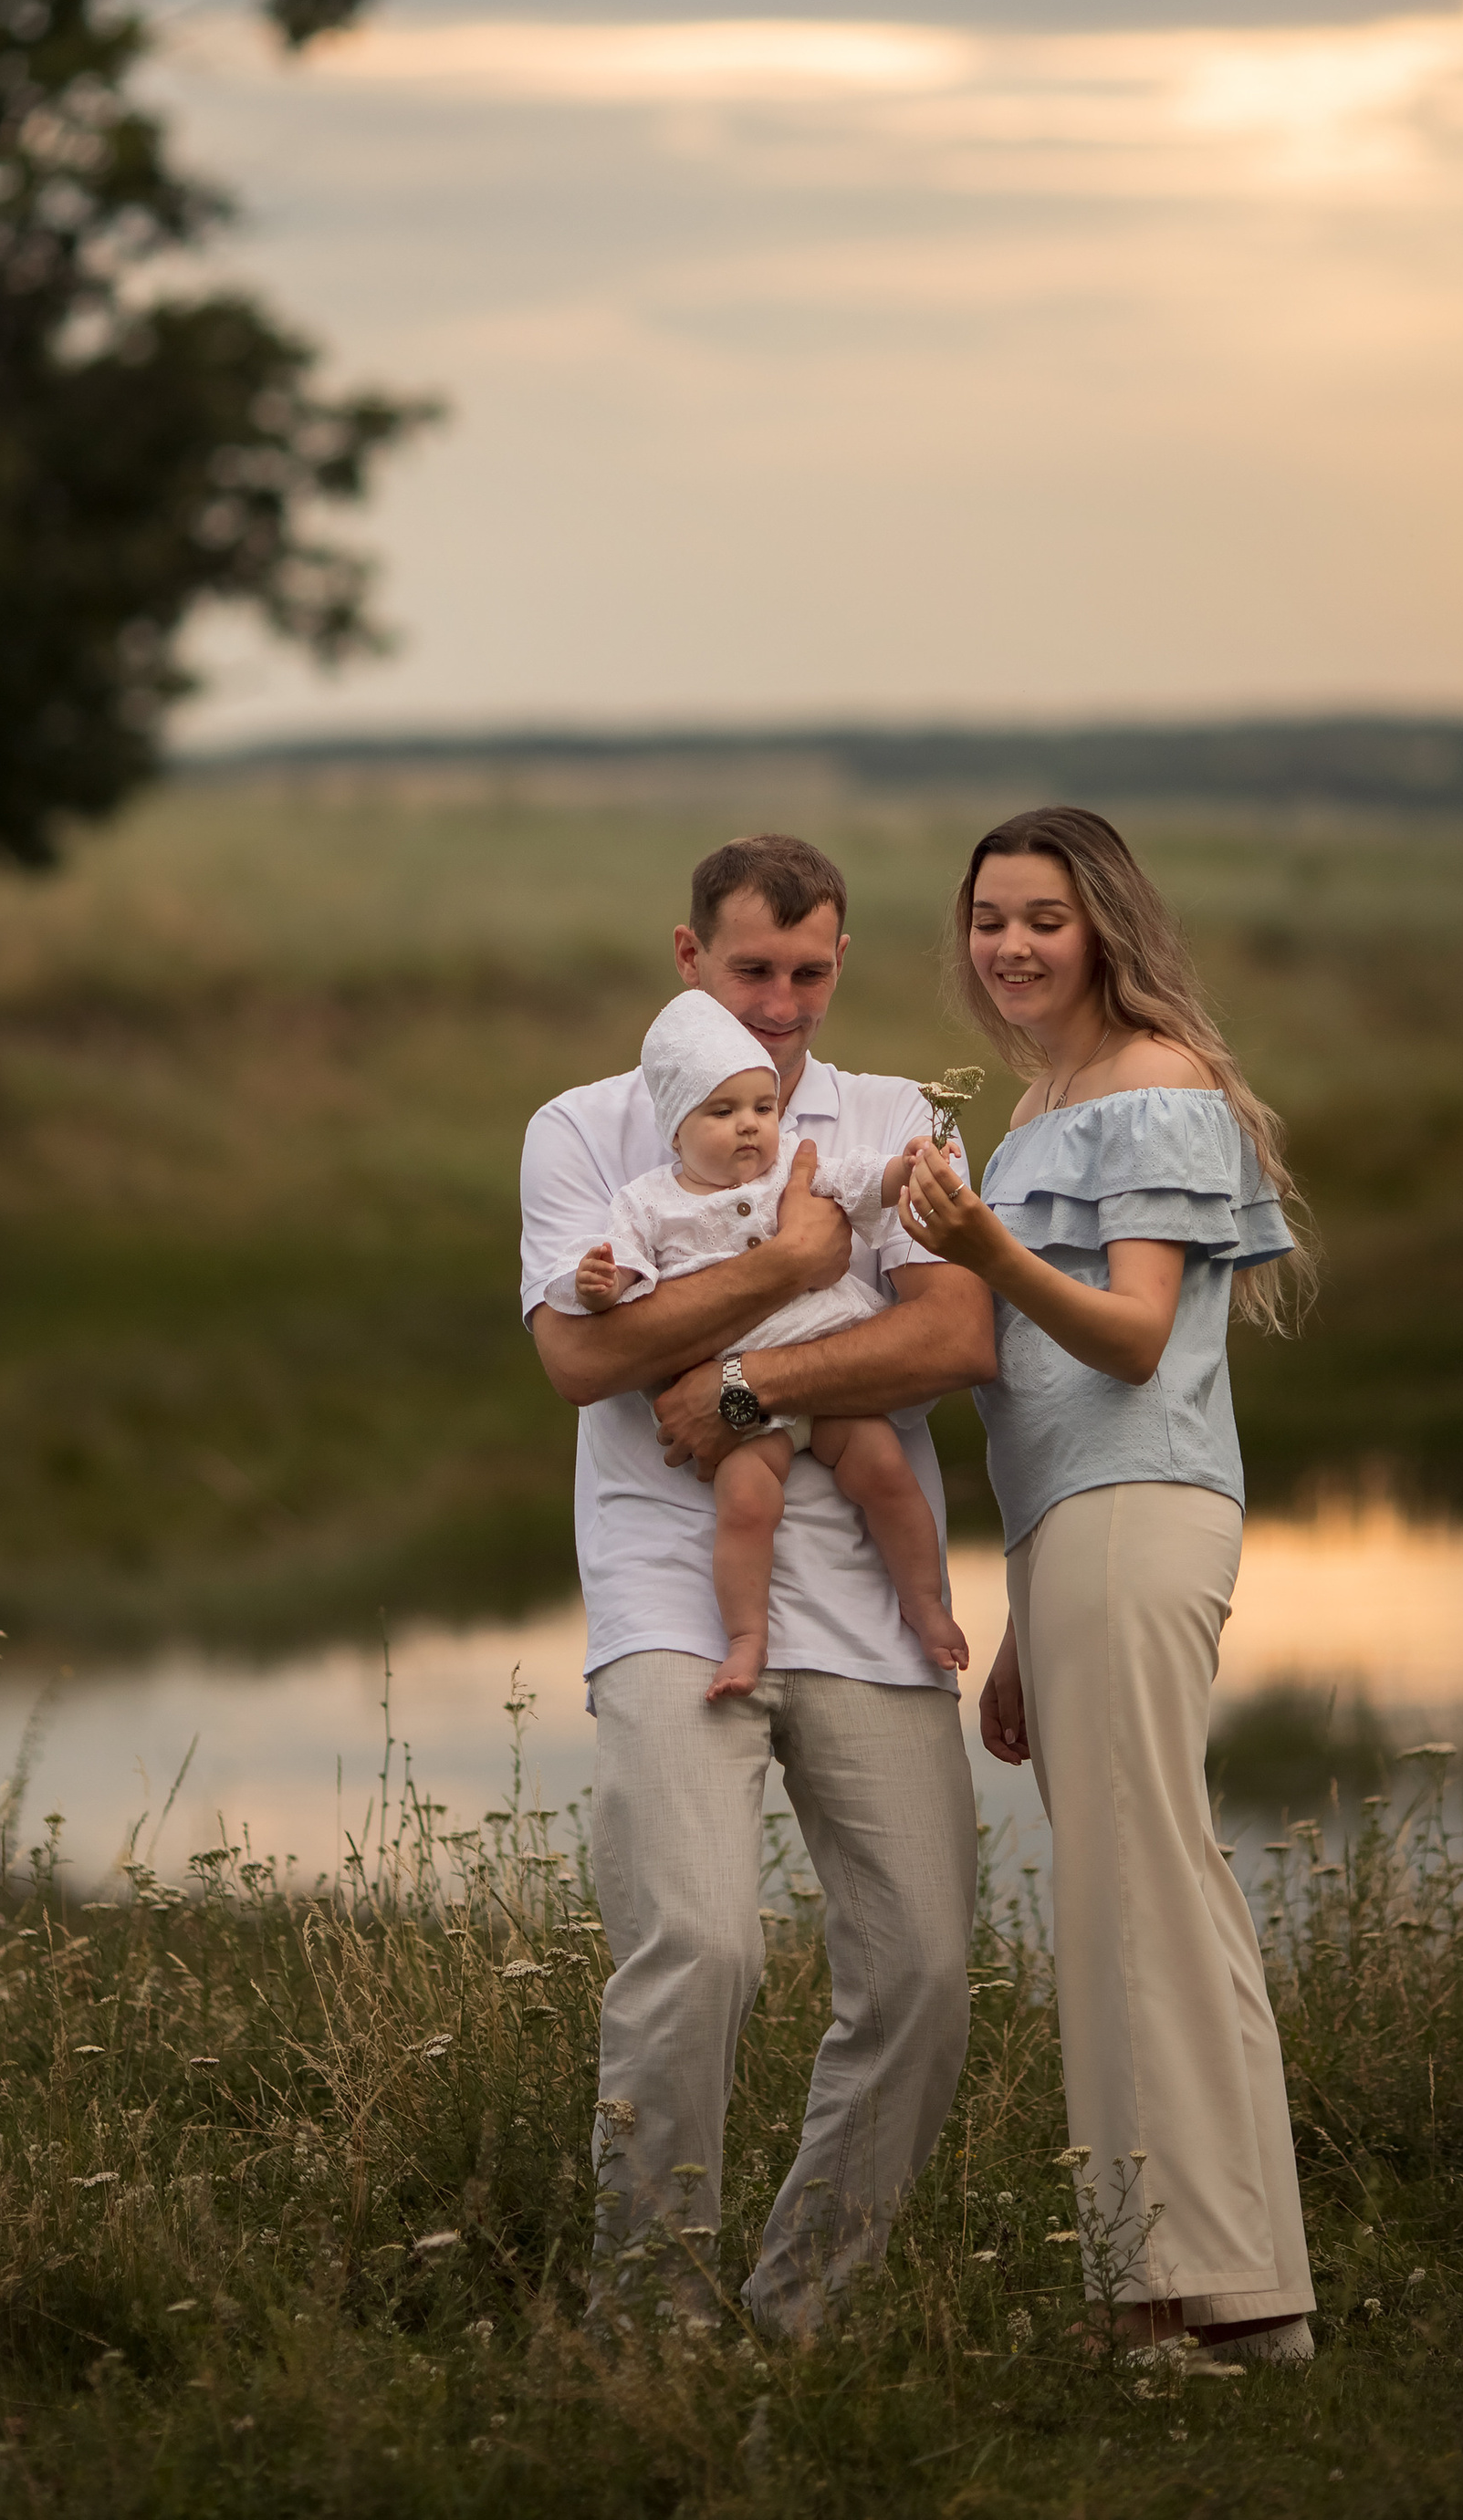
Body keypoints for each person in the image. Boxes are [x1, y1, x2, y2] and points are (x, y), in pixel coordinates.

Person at [522, 833, 996, 2339]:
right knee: (701, 1948)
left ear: (839, 961)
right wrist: (797, 1262)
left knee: (921, 1974)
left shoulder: (902, 1118)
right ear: (688, 959)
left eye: (807, 972)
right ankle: (650, 2326)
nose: (781, 1008)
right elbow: (584, 1356)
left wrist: (733, 1375)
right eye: (750, 973)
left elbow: (951, 1340)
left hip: (869, 1598)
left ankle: (803, 2316)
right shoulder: (586, 1128)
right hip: (672, 1590)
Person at [897, 805, 1319, 2366]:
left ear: (1105, 931)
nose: (1009, 946)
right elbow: (1059, 1414)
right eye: (990, 918)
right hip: (1090, 1529)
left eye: (1043, 920)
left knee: (1131, 1898)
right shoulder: (1044, 1099)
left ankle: (1177, 2295)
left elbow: (1134, 1342)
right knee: (1160, 1888)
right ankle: (1247, 2296)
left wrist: (986, 1248)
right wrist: (1021, 1620)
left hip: (1142, 1517)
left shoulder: (1148, 1085)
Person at [571, 989, 969, 1697]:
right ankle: (747, 1637)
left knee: (887, 1476)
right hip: (743, 1415)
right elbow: (624, 1276)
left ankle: (926, 1606)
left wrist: (904, 1171)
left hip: (833, 1367)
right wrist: (601, 1285)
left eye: (762, 1108)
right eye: (722, 1113)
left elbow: (861, 1183)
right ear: (675, 1129)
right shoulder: (647, 1201)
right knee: (748, 1507)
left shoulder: (798, 1169)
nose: (750, 1127)